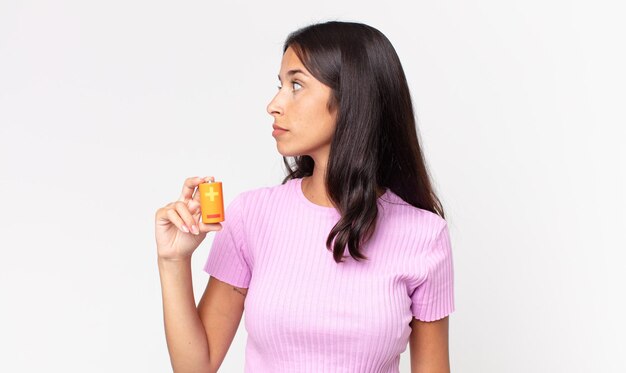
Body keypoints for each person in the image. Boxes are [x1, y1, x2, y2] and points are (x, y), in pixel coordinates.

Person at [155, 21, 455, 373]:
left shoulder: (424, 235)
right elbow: (196, 368)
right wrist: (173, 261)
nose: (274, 104)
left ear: (351, 98)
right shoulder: (251, 216)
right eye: (280, 85)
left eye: (296, 85)